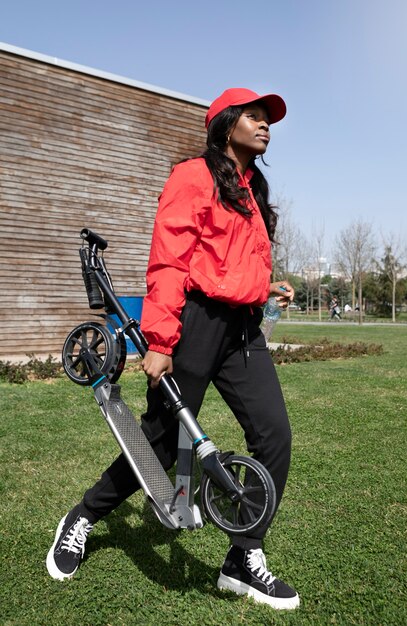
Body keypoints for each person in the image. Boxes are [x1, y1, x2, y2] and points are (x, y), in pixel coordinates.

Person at [46, 88, 300, 611]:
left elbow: (231, 261)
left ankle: (243, 555)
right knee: (162, 443)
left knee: (274, 435)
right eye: (252, 116)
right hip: (195, 325)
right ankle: (84, 516)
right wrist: (160, 340)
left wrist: (263, 287)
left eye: (267, 118)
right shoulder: (193, 176)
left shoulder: (252, 188)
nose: (264, 124)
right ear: (225, 123)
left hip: (243, 330)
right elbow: (170, 262)